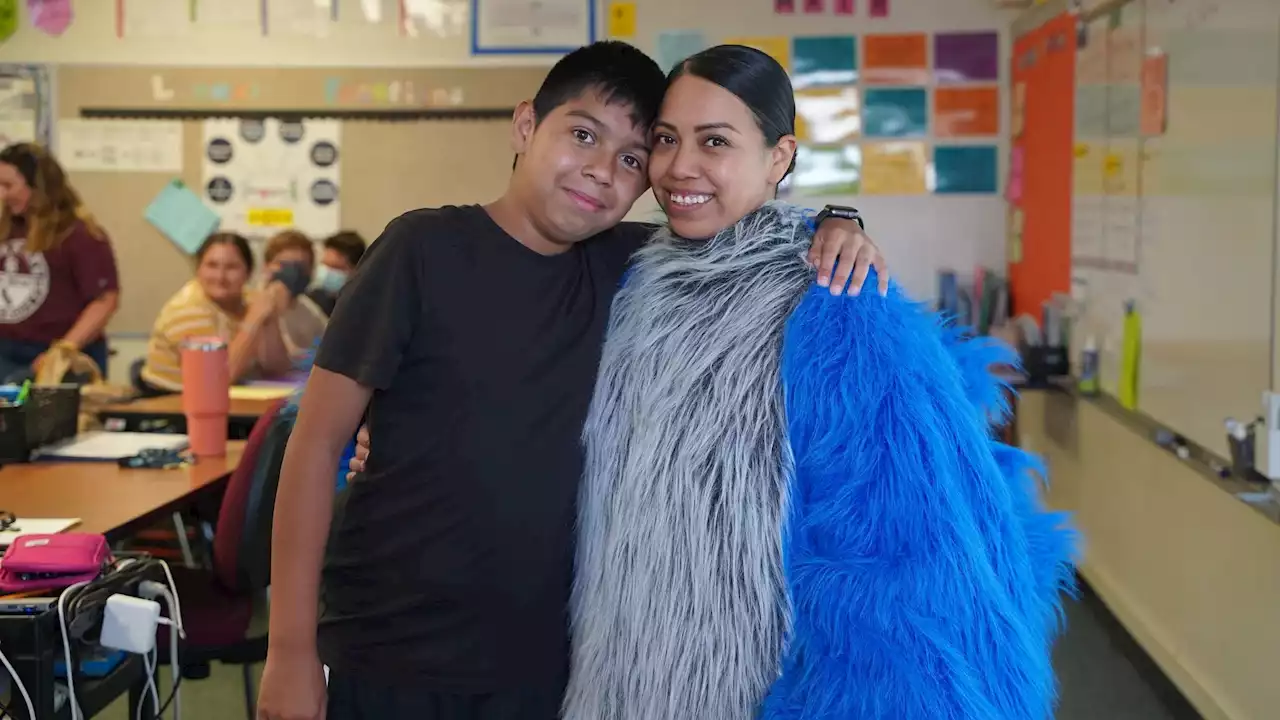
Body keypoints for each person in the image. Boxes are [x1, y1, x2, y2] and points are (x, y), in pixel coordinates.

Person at [257, 41, 884, 720]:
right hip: (393, 650)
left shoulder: (635, 269)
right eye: (582, 134)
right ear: (527, 125)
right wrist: (290, 650)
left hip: (551, 668)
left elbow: (745, 236)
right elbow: (315, 446)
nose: (600, 170)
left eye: (633, 159)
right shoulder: (420, 251)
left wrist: (838, 222)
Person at [551, 46, 1077, 720]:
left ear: (779, 157)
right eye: (665, 140)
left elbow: (908, 567)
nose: (680, 167)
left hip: (756, 688)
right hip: (614, 675)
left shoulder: (836, 298)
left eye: (715, 142)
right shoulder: (631, 279)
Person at [0, 143, 119, 381]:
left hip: (56, 353)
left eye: (8, 186)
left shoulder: (78, 234)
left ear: (38, 187)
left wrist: (63, 350)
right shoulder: (7, 227)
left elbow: (104, 300)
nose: (2, 194)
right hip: (6, 351)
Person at [139, 232, 292, 393]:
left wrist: (270, 317)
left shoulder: (250, 299)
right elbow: (215, 381)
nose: (220, 277)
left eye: (231, 267)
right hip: (170, 403)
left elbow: (278, 370)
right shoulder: (187, 310)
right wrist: (253, 320)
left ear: (248, 273)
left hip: (233, 401)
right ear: (198, 270)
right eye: (212, 266)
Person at [262, 230, 328, 364]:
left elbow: (330, 349)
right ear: (267, 267)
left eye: (300, 267)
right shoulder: (248, 305)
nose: (291, 273)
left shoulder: (310, 311)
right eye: (283, 265)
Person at [307, 230, 367, 316]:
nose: (327, 272)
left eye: (335, 267)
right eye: (325, 265)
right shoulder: (314, 301)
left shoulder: (366, 305)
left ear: (356, 270)